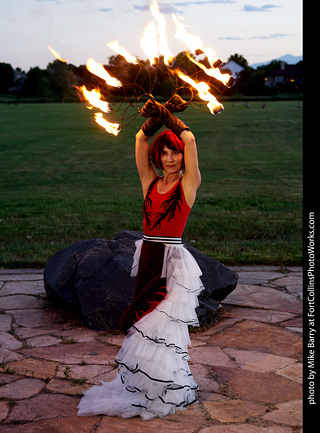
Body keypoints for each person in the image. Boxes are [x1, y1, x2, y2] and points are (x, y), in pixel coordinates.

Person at [77, 95, 204, 420]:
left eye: (174, 151)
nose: (170, 157)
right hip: (147, 254)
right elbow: (138, 138)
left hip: (171, 261)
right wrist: (153, 118)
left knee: (159, 324)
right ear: (157, 155)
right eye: (164, 151)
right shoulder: (150, 182)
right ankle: (143, 384)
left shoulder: (188, 184)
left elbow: (189, 137)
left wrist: (169, 113)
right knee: (142, 324)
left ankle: (165, 388)